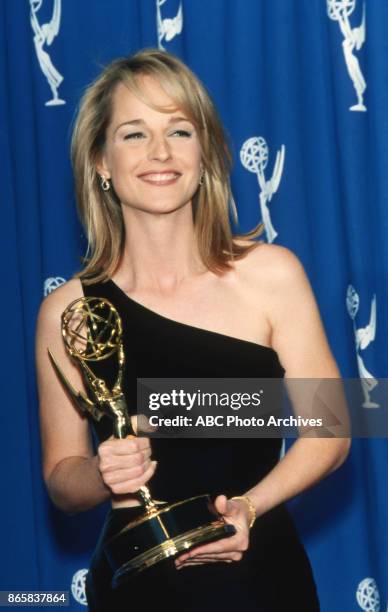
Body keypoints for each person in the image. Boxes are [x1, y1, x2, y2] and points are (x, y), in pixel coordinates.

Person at [36, 49, 350, 611]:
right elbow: (63, 479)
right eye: (134, 134)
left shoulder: (271, 276)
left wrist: (248, 508)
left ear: (205, 152)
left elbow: (331, 429)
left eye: (179, 130)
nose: (160, 153)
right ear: (101, 162)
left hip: (261, 580)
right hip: (134, 586)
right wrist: (103, 474)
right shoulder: (70, 311)